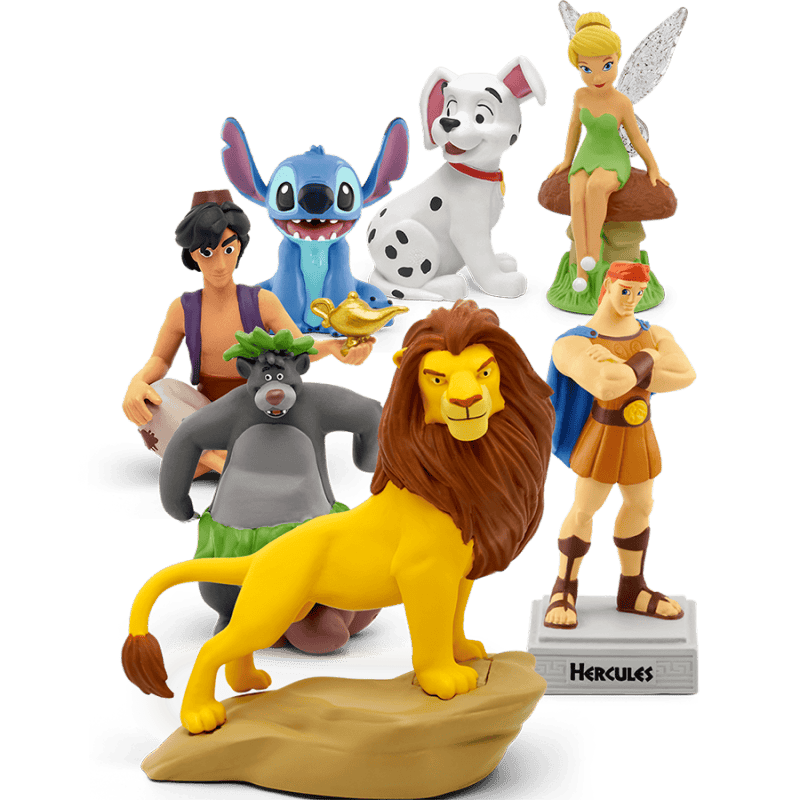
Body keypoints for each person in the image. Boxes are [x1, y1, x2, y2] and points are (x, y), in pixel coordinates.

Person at [122, 189, 373, 474]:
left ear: (240, 247)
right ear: (193, 254)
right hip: (207, 412)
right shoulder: (183, 308)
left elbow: (299, 347)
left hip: (257, 408)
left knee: (197, 455)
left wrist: (333, 347)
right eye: (207, 252)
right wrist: (137, 382)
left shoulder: (262, 302)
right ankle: (227, 464)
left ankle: (219, 459)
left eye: (228, 249)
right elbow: (160, 360)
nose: (219, 264)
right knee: (155, 396)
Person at [544, 261, 696, 629]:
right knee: (586, 507)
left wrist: (621, 364)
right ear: (607, 286)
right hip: (603, 433)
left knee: (641, 505)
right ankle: (564, 586)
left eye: (639, 292)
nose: (632, 299)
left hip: (640, 433)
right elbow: (605, 386)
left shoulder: (655, 331)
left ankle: (632, 588)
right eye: (625, 290)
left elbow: (685, 374)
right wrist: (650, 359)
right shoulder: (574, 341)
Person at [547, 12, 669, 293]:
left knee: (597, 187)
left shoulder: (621, 102)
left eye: (607, 65)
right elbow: (574, 129)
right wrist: (566, 160)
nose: (597, 76)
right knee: (577, 191)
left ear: (617, 59)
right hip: (587, 155)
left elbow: (636, 138)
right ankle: (581, 270)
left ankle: (592, 254)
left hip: (613, 157)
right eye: (586, 69)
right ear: (578, 68)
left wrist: (653, 167)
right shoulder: (580, 96)